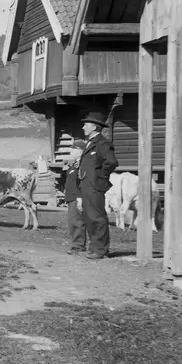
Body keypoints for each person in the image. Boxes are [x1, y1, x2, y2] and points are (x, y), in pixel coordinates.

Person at [76, 111, 118, 259]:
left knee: (97, 218)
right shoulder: (91, 142)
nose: (83, 127)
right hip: (86, 185)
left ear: (94, 127)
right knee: (89, 218)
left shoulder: (102, 143)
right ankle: (94, 248)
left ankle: (101, 250)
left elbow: (111, 162)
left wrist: (99, 176)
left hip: (94, 185)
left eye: (86, 124)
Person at [63, 139, 87, 254]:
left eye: (74, 148)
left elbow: (82, 182)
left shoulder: (82, 164)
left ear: (80, 151)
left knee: (77, 222)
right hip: (71, 197)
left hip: (77, 197)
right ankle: (75, 245)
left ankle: (78, 247)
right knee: (72, 222)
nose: (71, 150)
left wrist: (80, 197)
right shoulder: (74, 165)